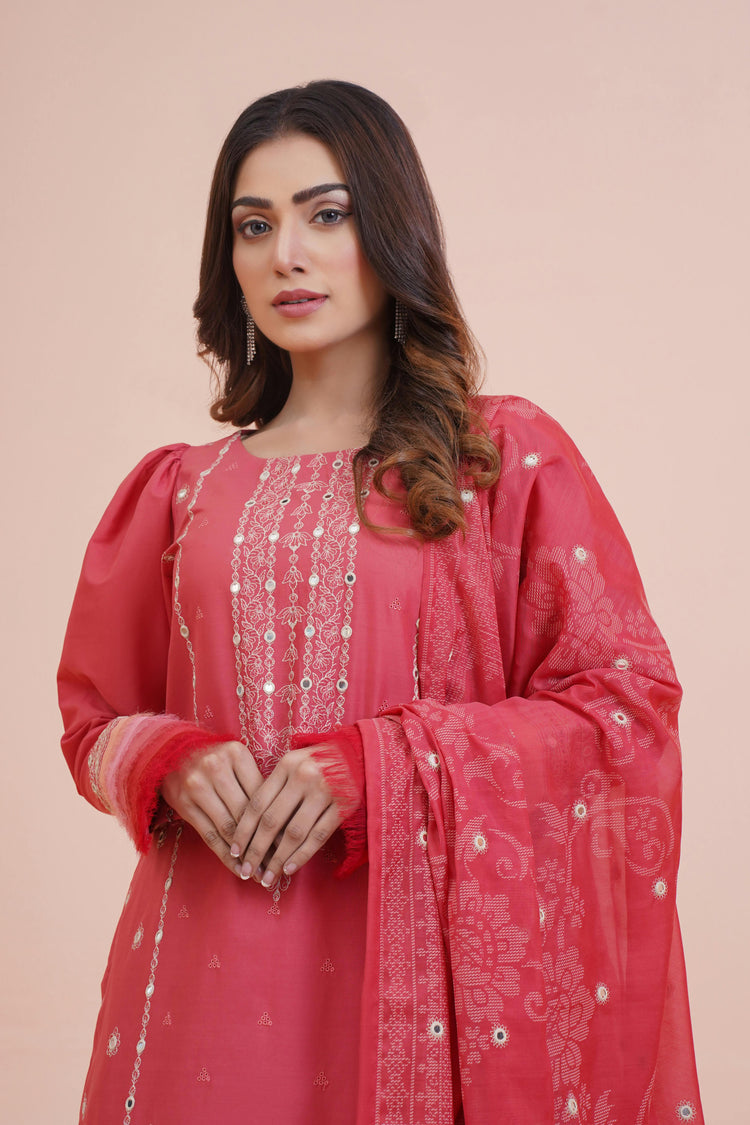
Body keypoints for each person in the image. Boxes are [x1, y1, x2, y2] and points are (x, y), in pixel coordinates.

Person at [58, 80, 703, 1124]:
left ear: (389, 228)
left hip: (412, 995)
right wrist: (166, 760)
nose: (286, 256)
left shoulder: (497, 460)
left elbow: (623, 704)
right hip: (196, 981)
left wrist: (385, 764)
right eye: (253, 226)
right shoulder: (180, 487)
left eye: (327, 213)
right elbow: (92, 722)